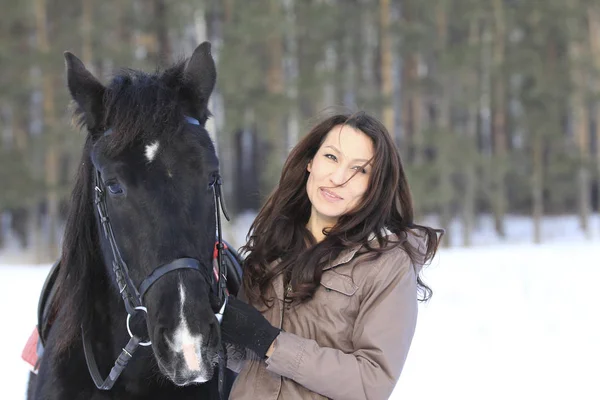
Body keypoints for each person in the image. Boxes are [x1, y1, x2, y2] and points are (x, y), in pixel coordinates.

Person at [220, 111, 442, 400]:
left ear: (375, 186)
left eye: (359, 170)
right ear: (310, 162)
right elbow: (242, 359)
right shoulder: (272, 247)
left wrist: (273, 344)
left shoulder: (387, 263)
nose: (338, 177)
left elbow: (371, 383)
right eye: (331, 157)